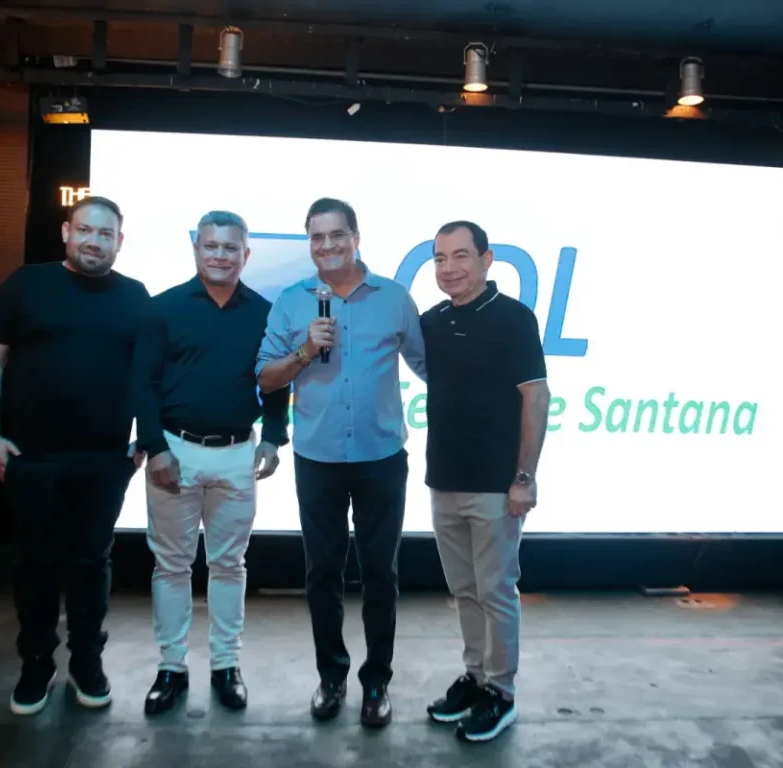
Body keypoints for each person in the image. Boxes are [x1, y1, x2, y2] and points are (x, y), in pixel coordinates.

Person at [0, 196, 150, 716]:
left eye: (105, 234)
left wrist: (146, 438)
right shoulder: (25, 285)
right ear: (67, 233)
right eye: (86, 230)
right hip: (32, 457)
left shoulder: (135, 297)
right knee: (36, 566)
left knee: (92, 565)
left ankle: (86, 664)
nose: (95, 241)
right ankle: (35, 666)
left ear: (119, 242)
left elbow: (150, 373)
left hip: (105, 459)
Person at [255, 197, 426, 728]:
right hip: (318, 461)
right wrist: (305, 351)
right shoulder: (291, 302)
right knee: (322, 573)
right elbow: (266, 377)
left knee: (381, 574)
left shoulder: (395, 298)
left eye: (336, 235)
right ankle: (331, 677)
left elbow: (429, 366)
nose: (326, 245)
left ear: (356, 237)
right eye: (317, 237)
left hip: (381, 459)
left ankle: (376, 681)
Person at [129, 210, 290, 715]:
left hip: (239, 454)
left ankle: (226, 666)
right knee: (171, 566)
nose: (220, 255)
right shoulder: (163, 309)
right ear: (196, 248)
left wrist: (274, 437)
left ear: (246, 254)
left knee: (229, 566)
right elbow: (142, 384)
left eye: (230, 247)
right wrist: (154, 446)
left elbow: (274, 381)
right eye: (211, 246)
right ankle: (171, 667)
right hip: (174, 452)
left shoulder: (264, 312)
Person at [419, 221, 550, 743]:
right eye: (440, 258)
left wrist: (525, 478)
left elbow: (535, 398)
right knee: (464, 590)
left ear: (486, 258)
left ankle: (501, 691)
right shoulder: (431, 322)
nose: (449, 268)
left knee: (496, 592)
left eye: (461, 256)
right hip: (442, 480)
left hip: (496, 486)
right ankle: (475, 678)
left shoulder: (514, 318)